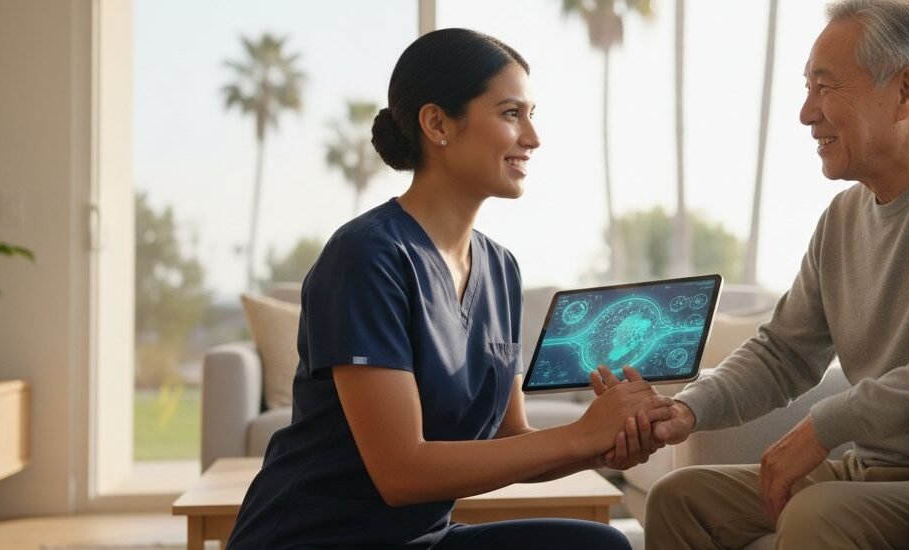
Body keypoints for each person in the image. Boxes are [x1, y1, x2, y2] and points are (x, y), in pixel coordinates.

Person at [643, 1, 909, 548]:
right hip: (871, 474)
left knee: (815, 516)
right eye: (807, 88)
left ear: (905, 92)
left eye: (825, 87)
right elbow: (783, 354)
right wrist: (685, 409)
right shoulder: (842, 220)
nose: (805, 113)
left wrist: (827, 425)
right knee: (680, 501)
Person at [226, 28, 671, 549]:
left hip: (422, 539)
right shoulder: (367, 256)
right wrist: (578, 435)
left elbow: (513, 441)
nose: (532, 136)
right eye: (511, 113)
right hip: (315, 538)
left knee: (602, 545)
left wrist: (602, 444)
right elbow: (402, 473)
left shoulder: (500, 269)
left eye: (532, 114)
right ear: (437, 123)